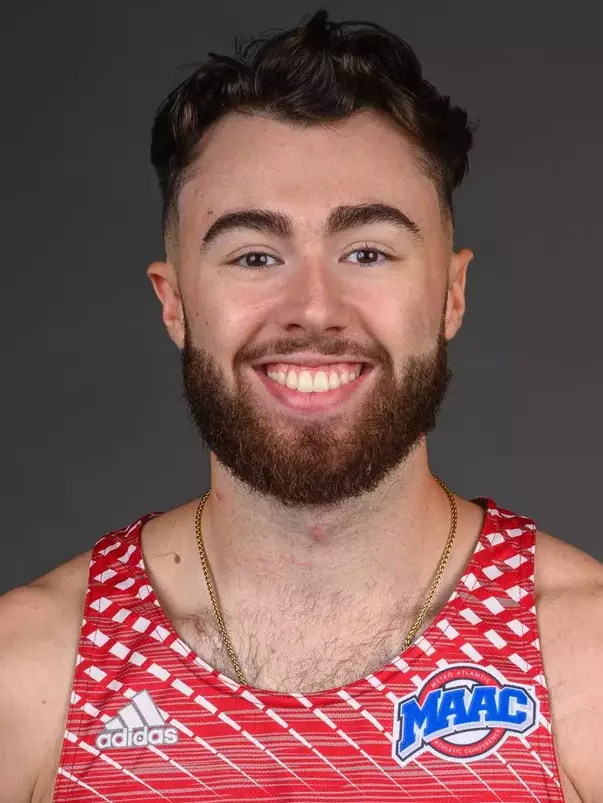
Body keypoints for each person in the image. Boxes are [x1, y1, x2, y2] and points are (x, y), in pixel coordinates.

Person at [1, 8, 601, 803]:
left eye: (366, 251)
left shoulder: (583, 662)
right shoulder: (32, 671)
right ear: (174, 300)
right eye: (254, 254)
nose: (314, 309)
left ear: (450, 292)